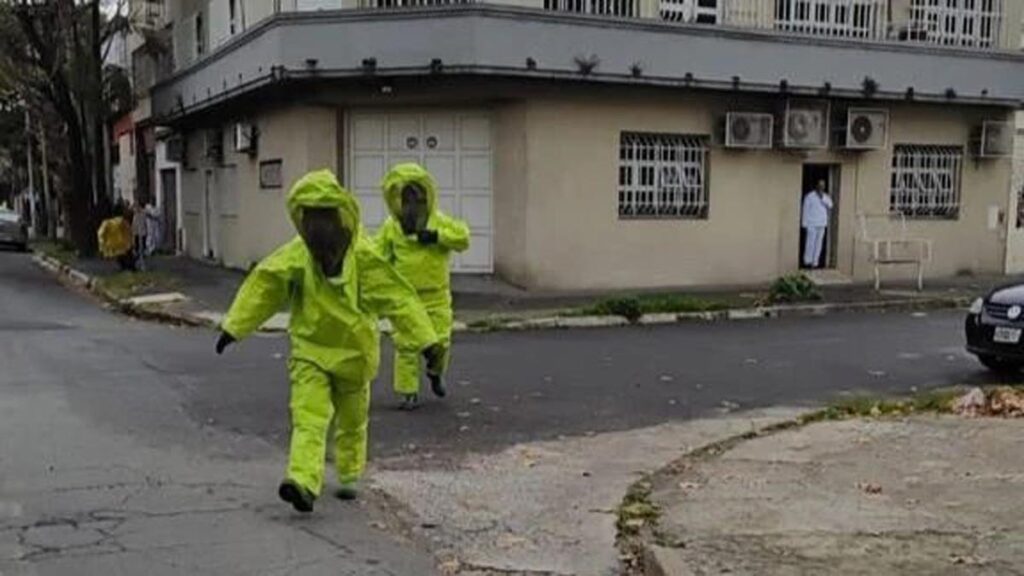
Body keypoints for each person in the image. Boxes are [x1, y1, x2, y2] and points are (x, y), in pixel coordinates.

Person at [215, 169, 443, 513]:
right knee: (309, 416)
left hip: (354, 357)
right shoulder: (298, 256)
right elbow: (265, 285)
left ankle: (349, 475)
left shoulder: (365, 259)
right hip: (311, 353)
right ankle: (303, 481)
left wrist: (427, 341)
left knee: (351, 421)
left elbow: (400, 300)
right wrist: (234, 326)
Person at [375, 163, 470, 410]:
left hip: (437, 295)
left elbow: (463, 238)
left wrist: (437, 236)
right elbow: (377, 257)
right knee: (406, 345)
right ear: (397, 201)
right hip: (405, 296)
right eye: (407, 199)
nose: (413, 206)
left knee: (441, 342)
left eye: (418, 198)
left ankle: (435, 373)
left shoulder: (439, 221)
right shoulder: (391, 228)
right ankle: (408, 393)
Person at [801, 179, 833, 269]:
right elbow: (805, 210)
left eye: (823, 185)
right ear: (816, 186)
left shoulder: (826, 196)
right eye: (820, 185)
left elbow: (830, 205)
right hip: (811, 223)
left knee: (819, 244)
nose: (821, 187)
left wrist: (822, 197)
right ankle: (807, 261)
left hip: (822, 223)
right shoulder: (809, 196)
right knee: (810, 243)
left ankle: (815, 262)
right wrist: (804, 224)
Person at [97, 202, 134, 271]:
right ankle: (127, 267)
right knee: (126, 257)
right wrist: (131, 244)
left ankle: (124, 267)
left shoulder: (106, 223)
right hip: (123, 246)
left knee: (121, 258)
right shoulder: (123, 222)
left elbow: (100, 234)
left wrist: (101, 247)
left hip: (111, 247)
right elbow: (129, 234)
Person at [131, 201, 148, 271]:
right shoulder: (135, 214)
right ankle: (138, 263)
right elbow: (134, 224)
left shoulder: (143, 213)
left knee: (142, 249)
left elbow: (144, 223)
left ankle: (141, 263)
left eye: (137, 206)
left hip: (142, 233)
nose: (136, 208)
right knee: (137, 249)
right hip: (137, 233)